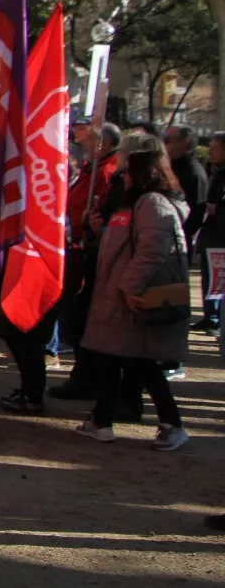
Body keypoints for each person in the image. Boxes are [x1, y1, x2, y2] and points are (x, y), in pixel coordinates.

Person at [75, 146, 192, 450]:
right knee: (115, 360)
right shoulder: (136, 202)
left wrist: (129, 288)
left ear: (143, 173)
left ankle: (172, 425)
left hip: (132, 299)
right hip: (118, 299)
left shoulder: (152, 203)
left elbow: (154, 251)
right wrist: (99, 230)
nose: (121, 174)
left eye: (127, 170)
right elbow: (126, 246)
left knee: (140, 364)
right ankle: (101, 422)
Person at [52, 121, 124, 400]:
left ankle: (87, 378)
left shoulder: (106, 172)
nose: (80, 140)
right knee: (77, 317)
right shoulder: (93, 169)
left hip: (91, 250)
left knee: (84, 317)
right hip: (80, 245)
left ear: (102, 143)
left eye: (88, 137)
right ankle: (83, 375)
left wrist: (86, 224)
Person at [193, 131, 225, 336]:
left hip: (220, 235)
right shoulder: (216, 171)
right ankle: (209, 316)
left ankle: (215, 318)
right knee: (209, 277)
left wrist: (218, 209)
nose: (210, 152)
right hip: (210, 233)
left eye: (214, 148)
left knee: (218, 279)